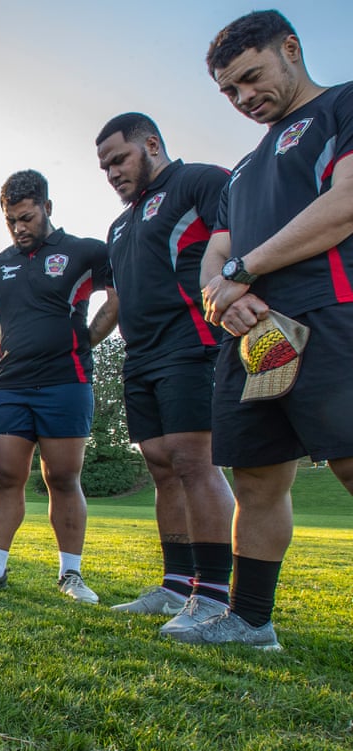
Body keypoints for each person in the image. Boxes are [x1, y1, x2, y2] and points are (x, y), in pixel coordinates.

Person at [180, 10, 353, 649]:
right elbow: (215, 252)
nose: (244, 98)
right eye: (229, 91)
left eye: (251, 79)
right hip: (252, 339)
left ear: (291, 48)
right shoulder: (244, 169)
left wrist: (244, 272)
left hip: (330, 312)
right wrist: (221, 299)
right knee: (256, 476)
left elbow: (345, 203)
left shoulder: (342, 107)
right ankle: (251, 620)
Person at [93, 113, 236, 633]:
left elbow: (239, 243)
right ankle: (176, 584)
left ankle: (215, 593)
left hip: (191, 340)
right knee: (159, 463)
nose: (111, 172)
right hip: (141, 354)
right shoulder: (120, 223)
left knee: (194, 460)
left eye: (119, 159)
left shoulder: (200, 181)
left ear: (151, 144)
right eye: (103, 166)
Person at [0, 171, 115, 603]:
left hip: (66, 383)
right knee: (6, 477)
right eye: (11, 220)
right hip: (10, 386)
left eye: (26, 217)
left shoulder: (85, 253)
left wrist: (89, 339)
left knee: (62, 477)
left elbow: (119, 298)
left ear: (47, 208)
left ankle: (70, 574)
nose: (19, 228)